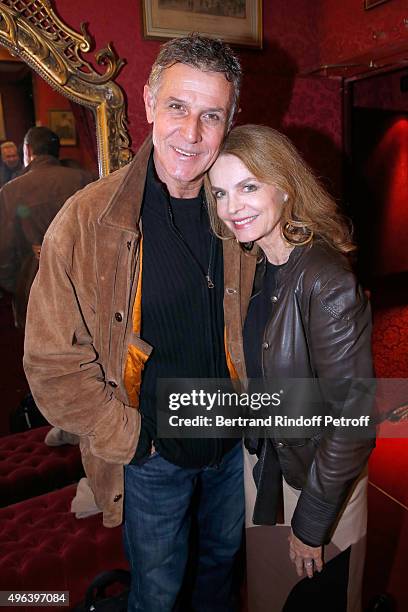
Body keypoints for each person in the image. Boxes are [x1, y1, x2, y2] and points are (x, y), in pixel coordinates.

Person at [24, 35, 246, 611]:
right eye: (178, 107)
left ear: (230, 120)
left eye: (211, 115)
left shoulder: (245, 210)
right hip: (152, 460)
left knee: (222, 569)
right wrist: (133, 438)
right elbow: (51, 362)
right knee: (159, 592)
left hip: (233, 449)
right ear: (148, 102)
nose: (191, 133)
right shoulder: (86, 219)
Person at [207, 124, 375, 612]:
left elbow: (353, 418)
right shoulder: (263, 263)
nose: (231, 206)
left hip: (319, 485)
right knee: (269, 598)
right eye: (220, 192)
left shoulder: (323, 278)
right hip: (274, 469)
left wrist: (312, 522)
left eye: (248, 187)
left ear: (284, 185)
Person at [0, 127, 91, 329]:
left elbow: (4, 252)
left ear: (28, 150)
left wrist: (17, 286)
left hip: (35, 282)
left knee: (43, 352)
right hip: (84, 279)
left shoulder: (12, 190)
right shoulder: (86, 180)